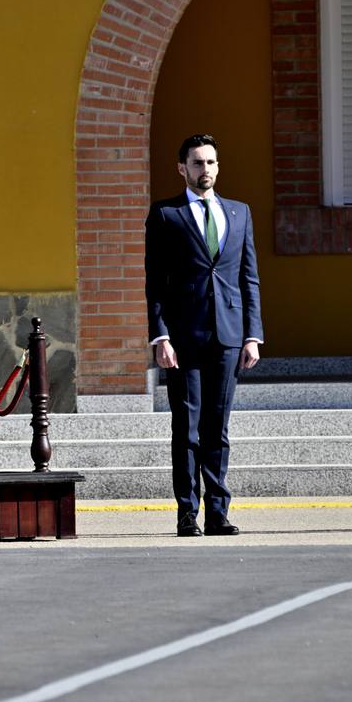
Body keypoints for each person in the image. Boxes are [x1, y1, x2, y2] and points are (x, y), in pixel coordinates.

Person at [145, 133, 262, 537]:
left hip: (229, 337)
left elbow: (249, 279)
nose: (205, 170)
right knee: (188, 427)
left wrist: (253, 336)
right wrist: (160, 338)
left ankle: (218, 512)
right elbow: (154, 283)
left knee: (218, 427)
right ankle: (186, 513)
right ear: (182, 169)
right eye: (197, 163)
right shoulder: (166, 214)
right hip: (184, 338)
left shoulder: (239, 213)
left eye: (211, 162)